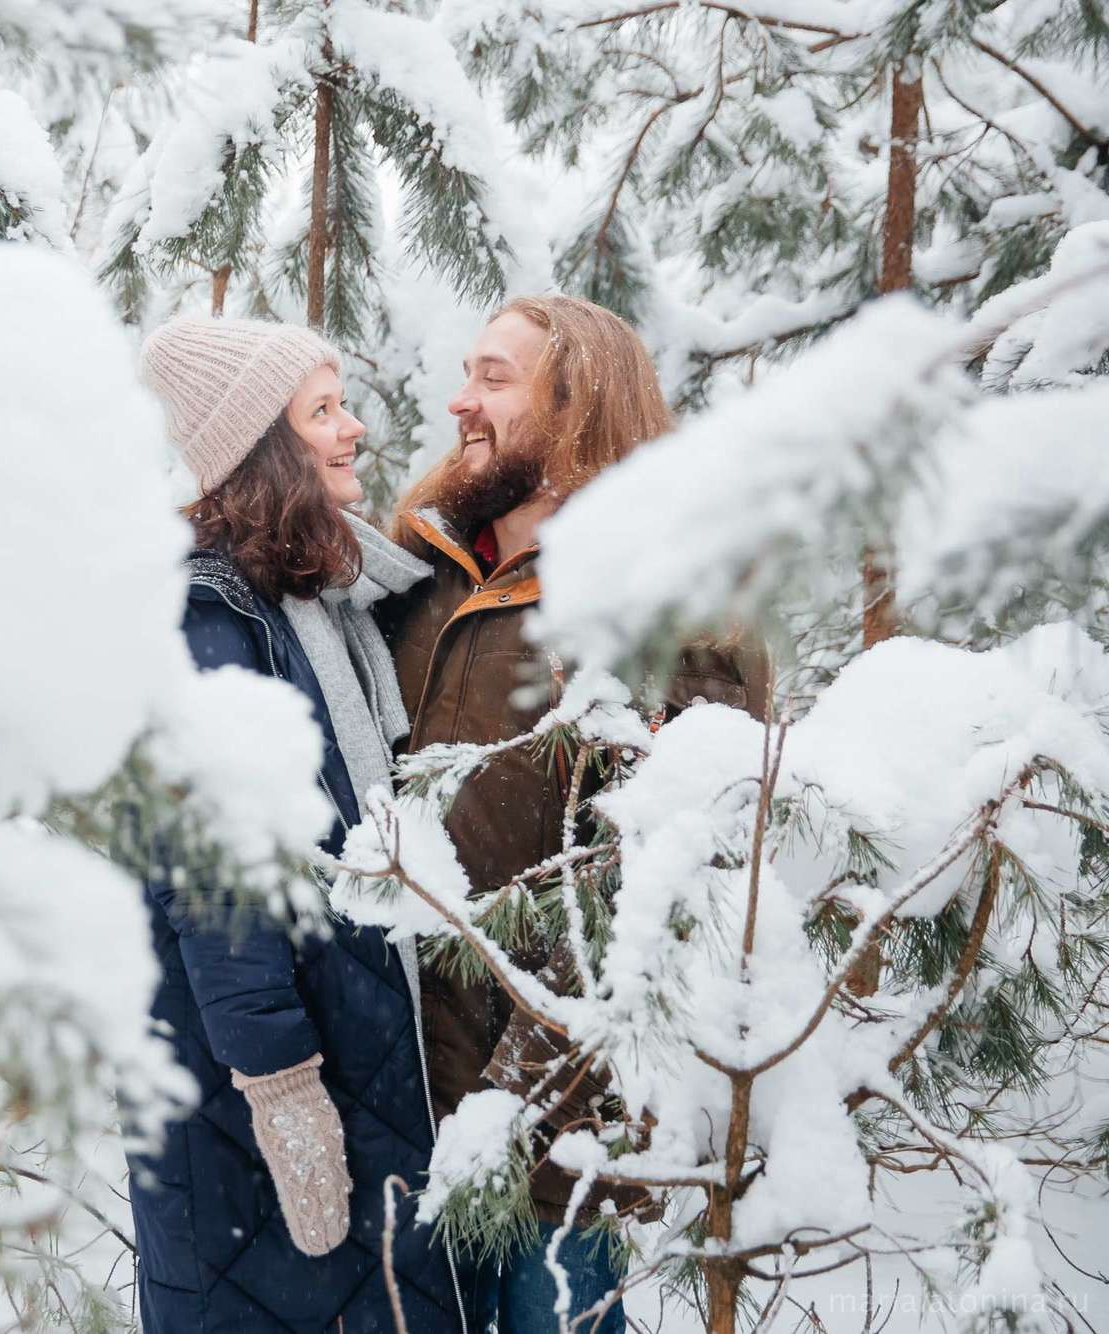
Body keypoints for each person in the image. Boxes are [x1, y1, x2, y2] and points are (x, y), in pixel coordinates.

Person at [380, 295, 771, 1334]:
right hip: (394, 1099)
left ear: (577, 401)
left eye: (494, 377)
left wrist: (511, 1107)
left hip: (554, 1141)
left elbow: (654, 881)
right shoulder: (412, 573)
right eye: (464, 371)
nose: (459, 400)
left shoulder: (671, 607)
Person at [127, 315, 472, 1333]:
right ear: (257, 448)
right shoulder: (207, 621)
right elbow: (215, 884)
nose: (353, 428)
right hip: (259, 1105)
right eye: (321, 411)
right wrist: (280, 1092)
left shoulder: (315, 603)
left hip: (355, 1052)